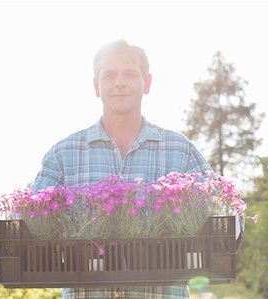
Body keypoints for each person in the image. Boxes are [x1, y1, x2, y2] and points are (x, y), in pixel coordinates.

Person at [32, 39, 213, 299]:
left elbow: (218, 209)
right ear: (97, 86)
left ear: (146, 83)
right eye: (109, 75)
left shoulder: (180, 150)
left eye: (129, 74)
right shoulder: (64, 153)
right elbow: (31, 221)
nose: (119, 82)